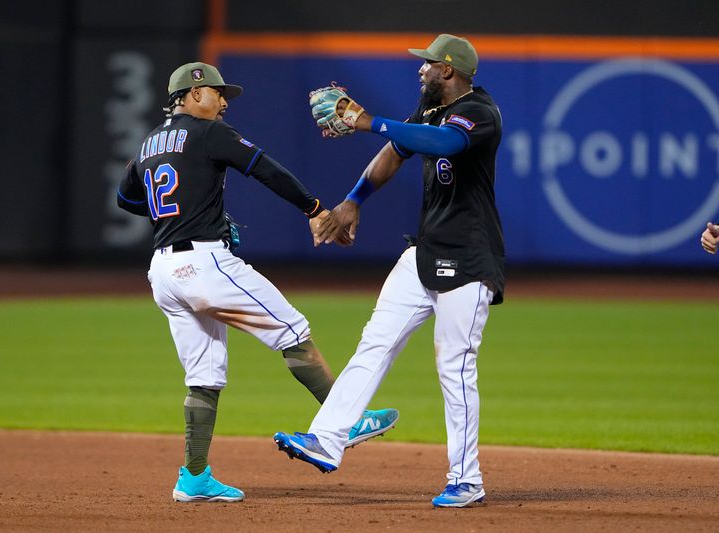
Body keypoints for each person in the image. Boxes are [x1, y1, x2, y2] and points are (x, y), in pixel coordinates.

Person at [116, 62, 399, 503]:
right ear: (192, 96)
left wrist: (179, 214)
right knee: (294, 332)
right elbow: (266, 169)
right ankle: (345, 418)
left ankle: (193, 477)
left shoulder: (150, 143)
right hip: (204, 265)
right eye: (216, 93)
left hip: (163, 271)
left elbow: (126, 196)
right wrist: (316, 210)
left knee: (203, 378)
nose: (224, 101)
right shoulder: (208, 133)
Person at [273, 34, 505, 508]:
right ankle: (327, 438)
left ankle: (467, 480)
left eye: (425, 65)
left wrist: (367, 121)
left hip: (470, 256)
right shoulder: (428, 111)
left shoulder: (480, 112)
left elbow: (444, 142)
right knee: (374, 341)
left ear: (448, 70)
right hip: (423, 253)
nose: (418, 70)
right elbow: (395, 151)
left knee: (455, 368)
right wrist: (353, 201)